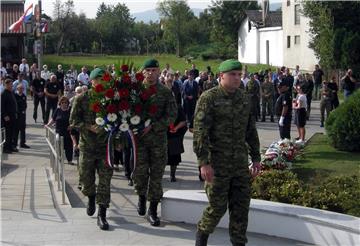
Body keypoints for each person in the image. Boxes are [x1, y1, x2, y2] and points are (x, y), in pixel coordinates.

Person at [193, 59, 261, 246]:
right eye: (232, 74)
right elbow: (200, 132)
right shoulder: (209, 98)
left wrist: (256, 158)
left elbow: (250, 130)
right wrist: (204, 162)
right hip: (217, 164)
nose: (237, 78)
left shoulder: (244, 98)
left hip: (239, 163)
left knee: (241, 208)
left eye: (239, 74)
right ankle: (201, 238)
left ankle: (239, 243)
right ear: (221, 76)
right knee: (217, 207)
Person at [133, 58, 177, 227]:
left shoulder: (165, 92)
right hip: (140, 141)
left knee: (157, 176)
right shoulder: (134, 91)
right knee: (140, 173)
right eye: (148, 70)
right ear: (142, 72)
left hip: (158, 140)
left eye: (154, 70)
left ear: (159, 72)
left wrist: (154, 126)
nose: (151, 73)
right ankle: (141, 198)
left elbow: (172, 114)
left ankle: (153, 210)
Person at [70, 68, 113, 230]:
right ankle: (91, 197)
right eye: (97, 80)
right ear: (91, 81)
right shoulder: (81, 99)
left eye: (103, 80)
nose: (100, 82)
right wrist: (88, 127)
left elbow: (117, 120)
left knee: (105, 181)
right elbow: (73, 121)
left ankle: (102, 214)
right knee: (86, 179)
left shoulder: (110, 99)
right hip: (87, 146)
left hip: (104, 147)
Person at [164, 72, 187, 182]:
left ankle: (172, 175)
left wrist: (176, 128)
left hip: (174, 135)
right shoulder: (161, 107)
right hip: (163, 135)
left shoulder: (178, 107)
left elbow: (183, 121)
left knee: (174, 158)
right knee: (161, 157)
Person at [46, 96, 73, 164]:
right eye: (62, 102)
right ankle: (59, 159)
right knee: (59, 146)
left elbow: (74, 119)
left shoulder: (70, 110)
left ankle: (69, 160)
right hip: (59, 131)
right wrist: (48, 124)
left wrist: (72, 125)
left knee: (68, 147)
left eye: (66, 102)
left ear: (68, 103)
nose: (64, 104)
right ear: (60, 103)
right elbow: (53, 119)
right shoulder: (57, 110)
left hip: (68, 132)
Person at [1, 79, 18, 153]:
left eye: (12, 84)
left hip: (13, 116)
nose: (12, 86)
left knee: (12, 132)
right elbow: (2, 106)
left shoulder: (11, 92)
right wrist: (5, 115)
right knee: (7, 133)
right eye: (11, 84)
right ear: (6, 85)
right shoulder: (3, 94)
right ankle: (6, 148)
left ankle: (11, 146)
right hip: (7, 117)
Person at [13, 84, 30, 149]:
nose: (22, 90)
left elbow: (25, 104)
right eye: (21, 88)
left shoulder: (24, 96)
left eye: (23, 89)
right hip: (17, 115)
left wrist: (24, 110)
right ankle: (14, 143)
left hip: (23, 115)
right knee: (16, 130)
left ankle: (22, 143)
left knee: (23, 129)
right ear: (17, 89)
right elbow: (15, 105)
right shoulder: (14, 95)